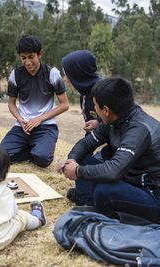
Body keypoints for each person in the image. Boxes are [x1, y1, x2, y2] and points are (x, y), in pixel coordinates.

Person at [57, 77, 160, 225]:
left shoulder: (138, 129)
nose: (94, 110)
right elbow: (86, 143)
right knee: (82, 159)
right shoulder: (116, 117)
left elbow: (113, 171)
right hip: (132, 183)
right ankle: (88, 202)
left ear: (106, 110)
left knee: (104, 190)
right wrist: (72, 160)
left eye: (95, 105)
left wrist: (77, 172)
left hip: (157, 202)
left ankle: (92, 203)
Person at [0, 35, 69, 168]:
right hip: (22, 127)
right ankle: (29, 150)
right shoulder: (15, 75)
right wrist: (20, 119)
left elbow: (65, 104)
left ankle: (36, 149)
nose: (27, 62)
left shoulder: (52, 73)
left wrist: (40, 119)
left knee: (42, 159)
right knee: (1, 157)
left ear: (40, 54)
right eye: (23, 58)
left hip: (46, 126)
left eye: (31, 57)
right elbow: (11, 103)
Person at [62, 50, 112, 203]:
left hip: (120, 150)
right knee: (83, 156)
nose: (65, 79)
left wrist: (100, 123)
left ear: (78, 74)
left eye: (67, 74)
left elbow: (119, 121)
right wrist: (73, 159)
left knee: (85, 160)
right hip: (107, 145)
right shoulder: (84, 92)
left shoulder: (104, 92)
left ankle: (84, 197)